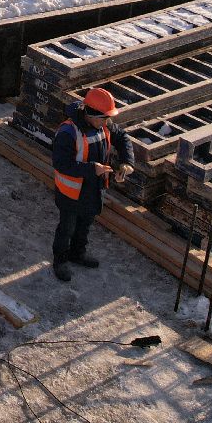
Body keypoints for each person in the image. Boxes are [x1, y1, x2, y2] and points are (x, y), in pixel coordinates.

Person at [50, 87, 132, 282]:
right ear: (90, 114)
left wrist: (127, 163)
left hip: (93, 190)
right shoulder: (68, 132)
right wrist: (90, 169)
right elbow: (61, 164)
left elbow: (123, 138)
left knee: (85, 225)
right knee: (67, 228)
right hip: (71, 193)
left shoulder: (103, 124)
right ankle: (60, 261)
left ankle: (78, 253)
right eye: (103, 118)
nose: (107, 122)